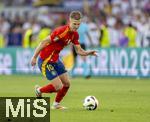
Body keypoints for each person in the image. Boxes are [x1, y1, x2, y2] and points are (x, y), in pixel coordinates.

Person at [31, 11, 97, 110]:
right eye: (74, 24)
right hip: (45, 60)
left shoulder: (75, 35)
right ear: (69, 21)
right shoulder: (61, 31)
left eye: (78, 24)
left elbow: (79, 51)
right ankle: (39, 90)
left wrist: (88, 53)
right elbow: (44, 42)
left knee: (67, 84)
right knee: (58, 87)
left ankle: (56, 104)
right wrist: (34, 57)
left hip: (56, 60)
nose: (76, 26)